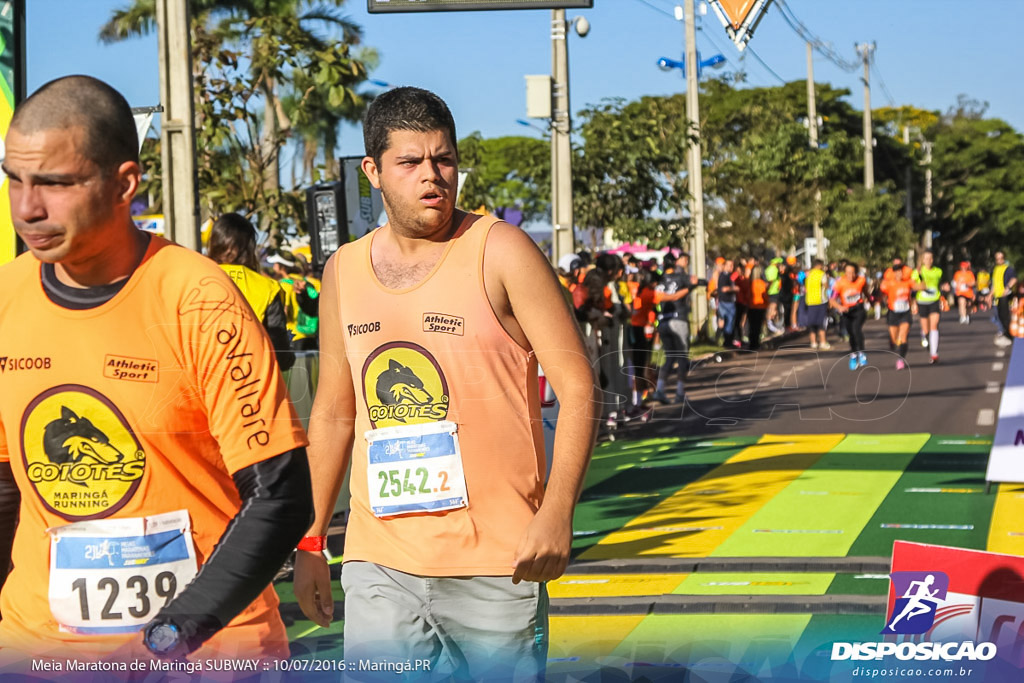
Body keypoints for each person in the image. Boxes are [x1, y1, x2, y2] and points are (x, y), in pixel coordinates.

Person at [0, 76, 312, 665]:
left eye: (55, 183)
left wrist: (172, 634)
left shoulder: (197, 299)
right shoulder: (6, 298)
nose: (27, 207)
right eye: (14, 179)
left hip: (202, 651)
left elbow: (279, 495)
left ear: (125, 184)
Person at [293, 86, 597, 680]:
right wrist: (310, 539)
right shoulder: (342, 271)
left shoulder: (501, 250)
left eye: (444, 159)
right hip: (380, 562)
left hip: (497, 565)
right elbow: (334, 412)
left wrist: (557, 511)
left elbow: (578, 386)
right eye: (410, 162)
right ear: (373, 172)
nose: (433, 176)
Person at [207, 212, 295, 371]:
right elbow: (280, 355)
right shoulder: (267, 287)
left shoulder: (195, 281)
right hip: (252, 383)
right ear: (250, 247)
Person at [651, 251, 701, 404]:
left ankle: (660, 389)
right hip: (678, 319)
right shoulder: (680, 276)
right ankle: (679, 392)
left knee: (669, 357)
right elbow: (694, 281)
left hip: (663, 320)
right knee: (682, 357)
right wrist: (690, 287)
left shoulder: (659, 279)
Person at [912, 249, 948, 363]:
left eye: (930, 258)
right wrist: (919, 287)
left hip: (934, 301)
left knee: (934, 325)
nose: (928, 261)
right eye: (926, 258)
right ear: (922, 260)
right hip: (922, 302)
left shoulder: (938, 271)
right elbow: (913, 286)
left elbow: (941, 284)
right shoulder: (917, 271)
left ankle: (934, 354)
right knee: (926, 329)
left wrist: (944, 288)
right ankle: (925, 336)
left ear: (933, 260)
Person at [832, 262, 868, 370]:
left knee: (856, 329)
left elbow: (865, 291)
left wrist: (870, 298)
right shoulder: (839, 283)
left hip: (858, 309)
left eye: (853, 273)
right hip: (846, 311)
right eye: (848, 272)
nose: (850, 275)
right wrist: (839, 307)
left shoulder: (861, 280)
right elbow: (832, 299)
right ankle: (853, 354)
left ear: (856, 272)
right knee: (851, 333)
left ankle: (861, 353)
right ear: (845, 272)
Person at [882, 256, 915, 370]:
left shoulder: (908, 282)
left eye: (900, 272)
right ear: (894, 273)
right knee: (895, 338)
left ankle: (901, 359)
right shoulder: (889, 283)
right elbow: (883, 293)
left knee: (903, 336)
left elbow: (915, 290)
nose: (899, 274)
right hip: (893, 312)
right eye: (897, 272)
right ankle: (892, 340)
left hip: (905, 312)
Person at [803, 259, 831, 350]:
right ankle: (822, 342)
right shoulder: (821, 274)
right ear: (819, 265)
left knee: (811, 323)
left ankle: (813, 342)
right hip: (820, 301)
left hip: (810, 301)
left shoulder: (808, 274)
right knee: (820, 322)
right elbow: (826, 286)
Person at [992, 251, 1017, 347]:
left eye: (1000, 258)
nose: (999, 260)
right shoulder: (996, 269)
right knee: (1000, 317)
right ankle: (1007, 334)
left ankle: (1009, 335)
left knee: (1006, 318)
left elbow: (1014, 279)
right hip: (998, 297)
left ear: (1004, 258)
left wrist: (1007, 288)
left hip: (1005, 297)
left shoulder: (1008, 269)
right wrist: (990, 295)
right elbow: (995, 284)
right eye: (997, 259)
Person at [717, 258, 739, 348]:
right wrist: (734, 289)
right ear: (724, 266)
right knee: (728, 322)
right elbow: (724, 289)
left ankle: (728, 341)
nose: (731, 267)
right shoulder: (724, 276)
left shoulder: (730, 276)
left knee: (729, 322)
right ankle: (727, 342)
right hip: (726, 303)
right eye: (730, 265)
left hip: (728, 302)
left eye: (732, 265)